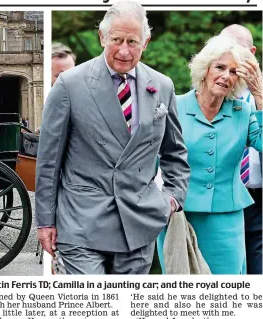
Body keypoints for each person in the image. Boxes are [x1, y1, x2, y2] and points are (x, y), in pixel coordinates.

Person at [36, 0, 190, 275]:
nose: (123, 50)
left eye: (132, 41)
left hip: (139, 222)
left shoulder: (163, 86)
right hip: (81, 223)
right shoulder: (70, 84)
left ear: (146, 42)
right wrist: (45, 222)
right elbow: (49, 160)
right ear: (101, 37)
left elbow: (175, 153)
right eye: (116, 39)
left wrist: (172, 198)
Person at [157, 35, 262, 274]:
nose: (226, 75)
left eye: (234, 72)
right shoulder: (173, 105)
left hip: (227, 221)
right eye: (220, 67)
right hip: (178, 216)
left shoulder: (243, 111)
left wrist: (260, 97)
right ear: (205, 69)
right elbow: (150, 159)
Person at [220, 24, 263, 275]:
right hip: (228, 196)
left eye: (237, 50)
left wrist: (259, 95)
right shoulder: (218, 90)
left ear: (253, 52)